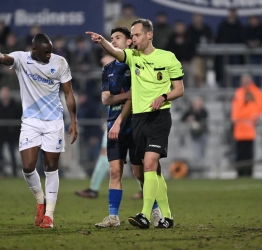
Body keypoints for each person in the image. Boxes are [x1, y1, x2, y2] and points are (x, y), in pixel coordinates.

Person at [86, 18, 184, 229]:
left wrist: (164, 96)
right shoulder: (132, 57)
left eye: (137, 35)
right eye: (132, 35)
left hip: (159, 117)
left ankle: (146, 214)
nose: (135, 39)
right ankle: (166, 216)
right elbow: (117, 54)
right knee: (150, 170)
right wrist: (101, 41)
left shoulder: (167, 57)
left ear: (149, 35)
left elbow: (180, 89)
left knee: (148, 165)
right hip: (138, 119)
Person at [0, 33, 78, 228]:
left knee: (51, 167)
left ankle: (49, 215)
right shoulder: (21, 59)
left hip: (54, 122)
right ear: (34, 50)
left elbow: (68, 93)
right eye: (45, 52)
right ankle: (40, 199)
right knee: (27, 167)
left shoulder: (60, 62)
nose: (49, 55)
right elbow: (3, 58)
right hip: (31, 122)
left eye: (51, 51)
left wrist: (74, 121)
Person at [231, 74, 262, 177]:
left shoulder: (256, 92)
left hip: (249, 129)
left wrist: (252, 118)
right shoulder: (239, 92)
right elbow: (235, 111)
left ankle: (249, 173)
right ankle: (240, 173)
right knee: (240, 154)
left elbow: (258, 110)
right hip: (239, 129)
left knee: (248, 154)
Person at [0, 86, 22, 177]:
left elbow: (19, 119)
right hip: (1, 134)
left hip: (12, 134)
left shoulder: (15, 105)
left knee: (13, 153)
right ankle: (1, 172)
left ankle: (14, 172)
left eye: (6, 92)